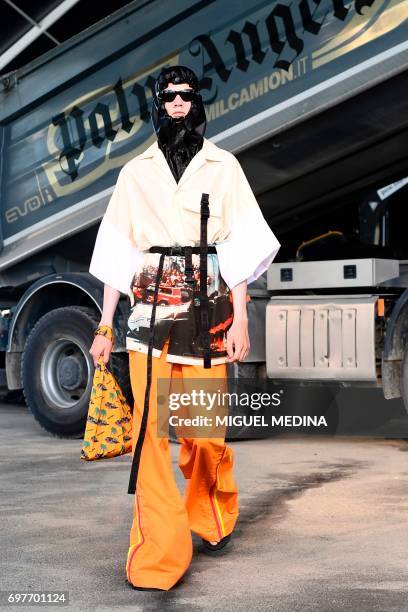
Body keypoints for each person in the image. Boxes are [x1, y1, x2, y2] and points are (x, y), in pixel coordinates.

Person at [88, 65, 281, 591]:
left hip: (208, 307)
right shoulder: (135, 174)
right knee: (150, 434)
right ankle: (159, 552)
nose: (177, 102)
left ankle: (211, 513)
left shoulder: (225, 167)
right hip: (149, 308)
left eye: (185, 94)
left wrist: (241, 317)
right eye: (168, 95)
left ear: (197, 102)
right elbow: (116, 256)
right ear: (158, 104)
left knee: (204, 433)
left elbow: (239, 247)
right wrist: (104, 327)